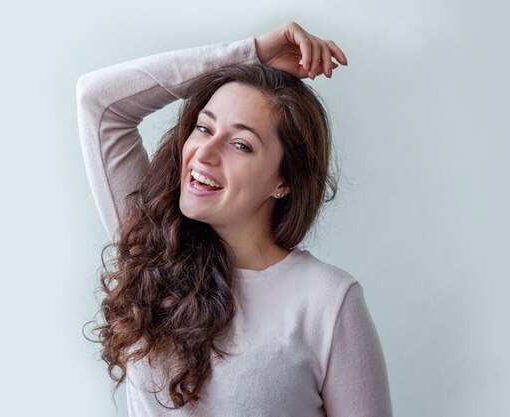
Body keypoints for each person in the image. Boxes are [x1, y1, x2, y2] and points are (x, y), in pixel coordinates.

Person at [76, 21, 393, 417]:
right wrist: (250, 54)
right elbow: (99, 101)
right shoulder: (153, 248)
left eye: (240, 144)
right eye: (203, 127)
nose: (205, 153)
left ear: (283, 181)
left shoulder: (328, 301)